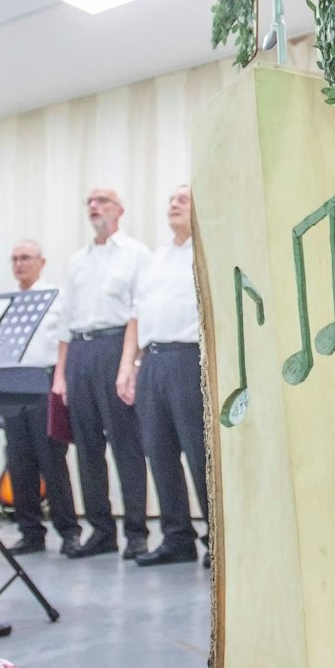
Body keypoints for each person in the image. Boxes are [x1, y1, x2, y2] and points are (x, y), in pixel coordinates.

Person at [54, 186, 151, 559]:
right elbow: (66, 318)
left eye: (102, 201)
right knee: (87, 447)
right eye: (89, 202)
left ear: (120, 209)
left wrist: (131, 363)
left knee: (127, 445)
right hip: (80, 351)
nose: (94, 207)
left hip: (116, 347)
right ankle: (101, 530)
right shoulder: (78, 260)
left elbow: (137, 311)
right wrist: (61, 374)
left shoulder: (136, 253)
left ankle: (137, 533)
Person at [123, 186, 210, 567]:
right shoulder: (154, 259)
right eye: (171, 199)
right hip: (152, 361)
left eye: (184, 199)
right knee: (158, 452)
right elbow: (136, 316)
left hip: (190, 358)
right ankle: (177, 537)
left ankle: (220, 540)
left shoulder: (209, 253)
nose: (173, 203)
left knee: (200, 453)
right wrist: (128, 365)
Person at [0, 240, 80, 556]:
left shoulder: (56, 297)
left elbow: (65, 342)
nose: (20, 264)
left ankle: (69, 531)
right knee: (18, 460)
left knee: (51, 458)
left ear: (42, 262)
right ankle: (30, 531)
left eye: (26, 258)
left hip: (44, 379)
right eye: (15, 259)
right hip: (12, 383)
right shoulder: (8, 302)